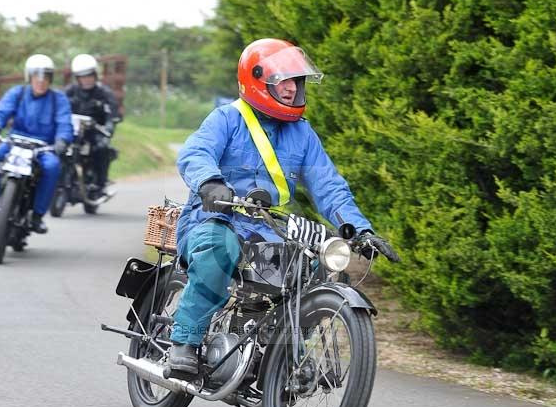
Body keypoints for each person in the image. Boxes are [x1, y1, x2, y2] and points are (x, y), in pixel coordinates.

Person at [167, 38, 400, 375]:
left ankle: (283, 353)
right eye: (283, 81)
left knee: (312, 267)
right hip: (215, 216)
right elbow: (195, 153)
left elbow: (329, 186)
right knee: (217, 250)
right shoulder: (227, 119)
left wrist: (360, 229)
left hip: (266, 226)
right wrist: (210, 183)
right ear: (258, 81)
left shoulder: (303, 135)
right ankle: (185, 340)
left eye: (296, 82)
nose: (292, 89)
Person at [0, 54, 72, 234]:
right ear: (29, 76)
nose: (41, 81)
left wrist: (62, 141)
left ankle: (37, 216)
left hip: (43, 148)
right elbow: (1, 112)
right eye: (37, 76)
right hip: (15, 142)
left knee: (52, 166)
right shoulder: (17, 93)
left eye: (46, 76)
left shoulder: (59, 99)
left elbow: (64, 122)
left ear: (51, 79)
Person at [64, 53, 121, 196]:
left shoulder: (104, 92)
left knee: (102, 148)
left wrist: (109, 127)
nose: (86, 79)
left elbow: (113, 114)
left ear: (95, 75)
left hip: (96, 131)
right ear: (77, 78)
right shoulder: (69, 92)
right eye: (83, 76)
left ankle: (100, 184)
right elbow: (58, 108)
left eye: (89, 75)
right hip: (74, 131)